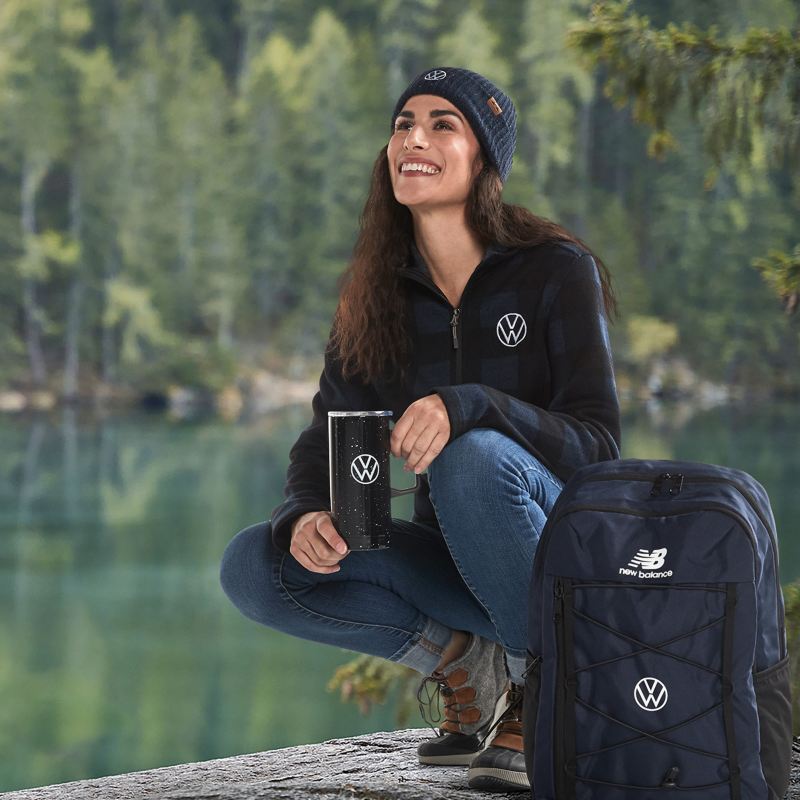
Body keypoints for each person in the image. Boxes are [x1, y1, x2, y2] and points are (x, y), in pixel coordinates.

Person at [220, 66, 621, 793]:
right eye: (404, 122)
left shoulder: (555, 271)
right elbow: (326, 440)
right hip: (456, 568)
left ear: (485, 160)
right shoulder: (376, 296)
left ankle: (549, 688)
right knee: (258, 564)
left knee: (470, 456)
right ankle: (465, 661)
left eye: (444, 124)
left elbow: (597, 445)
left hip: (558, 561)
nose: (414, 137)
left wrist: (469, 406)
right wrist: (306, 509)